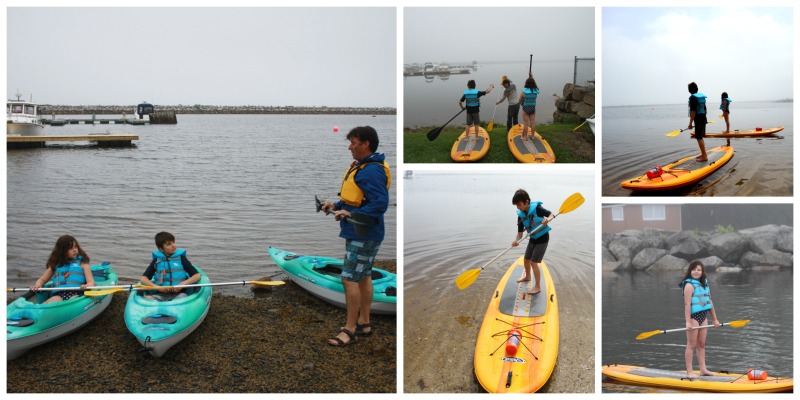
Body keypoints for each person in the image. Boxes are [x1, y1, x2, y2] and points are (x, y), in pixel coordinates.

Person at [321, 126, 390, 347]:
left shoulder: (371, 170)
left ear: (365, 144)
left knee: (349, 278)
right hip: (364, 232)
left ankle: (349, 330)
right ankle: (364, 323)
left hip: (364, 232)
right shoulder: (364, 167)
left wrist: (352, 213)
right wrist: (337, 205)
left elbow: (380, 204)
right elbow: (358, 199)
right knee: (364, 276)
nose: (350, 147)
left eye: (353, 143)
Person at [679, 260, 721, 379]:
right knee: (691, 345)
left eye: (699, 269)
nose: (696, 271)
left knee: (701, 344)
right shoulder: (688, 285)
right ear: (690, 271)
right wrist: (688, 322)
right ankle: (689, 371)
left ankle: (703, 369)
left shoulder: (705, 285)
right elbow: (687, 305)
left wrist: (715, 319)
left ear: (702, 272)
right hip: (693, 317)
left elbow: (710, 302)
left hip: (704, 317)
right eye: (694, 269)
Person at [509, 189, 554, 295]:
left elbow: (551, 214)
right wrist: (516, 241)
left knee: (534, 262)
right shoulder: (520, 215)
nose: (518, 207)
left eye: (519, 204)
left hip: (542, 238)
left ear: (527, 202)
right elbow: (520, 234)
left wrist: (547, 219)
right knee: (526, 260)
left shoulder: (537, 208)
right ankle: (527, 276)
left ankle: (538, 286)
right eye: (516, 205)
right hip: (533, 238)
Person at [31, 235, 95, 303]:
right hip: (59, 294)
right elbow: (42, 279)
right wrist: (38, 284)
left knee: (73, 300)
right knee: (53, 300)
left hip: (77, 293)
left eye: (75, 247)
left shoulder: (83, 263)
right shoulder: (56, 265)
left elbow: (91, 281)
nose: (75, 250)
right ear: (62, 251)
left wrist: (88, 285)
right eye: (70, 248)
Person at [139, 231, 201, 301]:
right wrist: (157, 287)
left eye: (173, 242)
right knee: (147, 298)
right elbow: (143, 279)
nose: (173, 245)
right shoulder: (157, 261)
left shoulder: (181, 259)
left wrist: (182, 284)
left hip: (180, 294)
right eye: (169, 244)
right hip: (161, 294)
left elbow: (197, 276)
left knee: (181, 298)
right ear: (161, 249)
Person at [688, 82, 709, 162]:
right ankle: (703, 153)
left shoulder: (693, 98)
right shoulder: (701, 97)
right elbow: (705, 109)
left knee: (699, 138)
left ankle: (704, 156)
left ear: (689, 90)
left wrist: (690, 123)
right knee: (700, 137)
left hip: (698, 119)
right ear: (697, 89)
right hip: (703, 117)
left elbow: (693, 112)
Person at [518, 76, 540, 141]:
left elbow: (519, 101)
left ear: (526, 83)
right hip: (533, 108)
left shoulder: (523, 92)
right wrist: (532, 76)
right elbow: (537, 88)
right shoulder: (536, 91)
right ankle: (533, 136)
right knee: (532, 122)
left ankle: (524, 137)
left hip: (525, 108)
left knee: (526, 123)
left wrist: (522, 101)